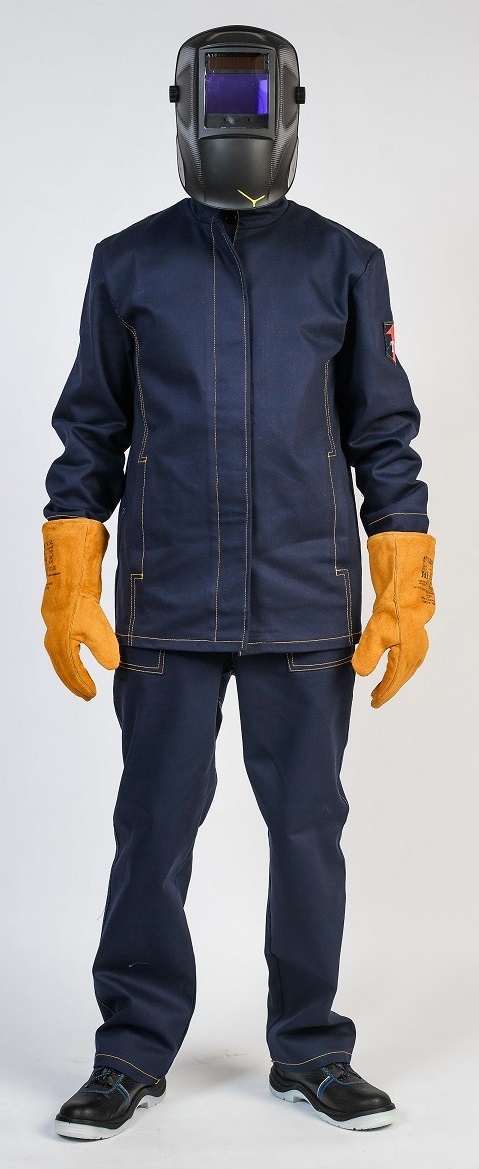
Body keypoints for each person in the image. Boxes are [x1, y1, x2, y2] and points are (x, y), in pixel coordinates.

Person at [41, 24, 436, 1140]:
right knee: (151, 826)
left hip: (305, 598)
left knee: (307, 829)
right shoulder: (128, 261)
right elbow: (90, 430)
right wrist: (72, 575)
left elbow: (383, 435)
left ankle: (310, 1048)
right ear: (181, 106)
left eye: (253, 98)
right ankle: (129, 1051)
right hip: (165, 601)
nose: (234, 119)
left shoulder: (343, 261)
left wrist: (402, 581)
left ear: (289, 108)